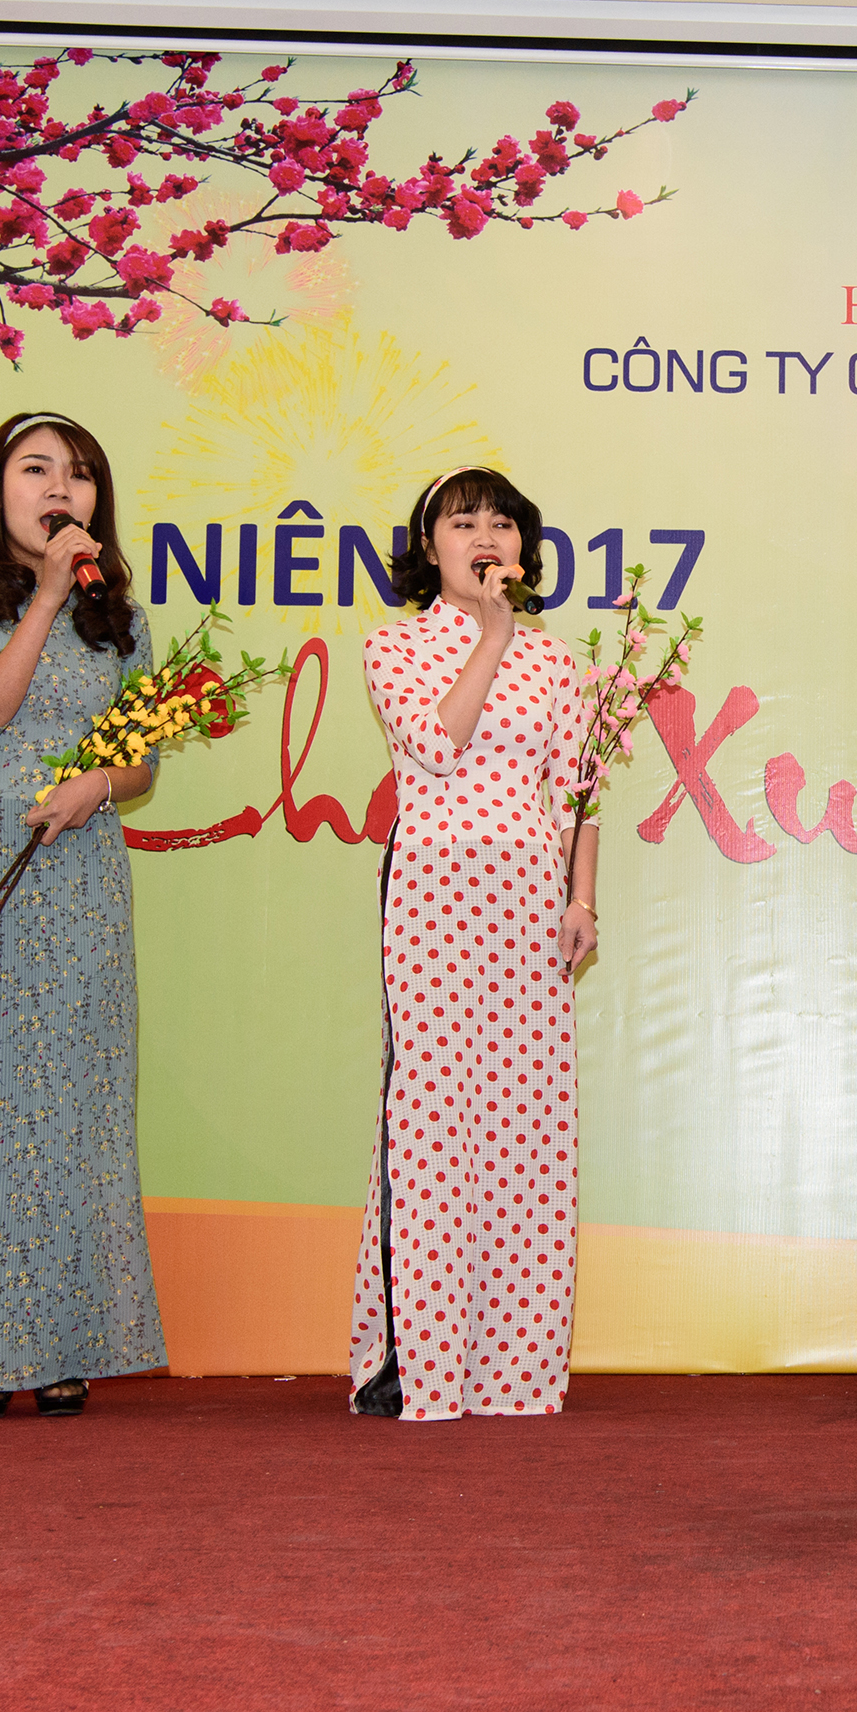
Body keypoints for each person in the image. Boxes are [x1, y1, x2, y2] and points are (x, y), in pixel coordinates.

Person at [0, 413, 166, 1418]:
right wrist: (46, 596)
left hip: (82, 874)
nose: (62, 488)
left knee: (73, 1109)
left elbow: (142, 761)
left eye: (80, 474)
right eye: (38, 469)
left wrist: (99, 783)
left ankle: (62, 1342)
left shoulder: (122, 615)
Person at [350, 468, 599, 1421]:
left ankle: (513, 1370)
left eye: (503, 523)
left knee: (526, 1125)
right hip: (433, 895)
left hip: (528, 900)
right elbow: (435, 746)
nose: (486, 537)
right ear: (432, 547)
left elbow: (578, 795)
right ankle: (418, 1362)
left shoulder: (559, 662)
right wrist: (491, 637)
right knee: (433, 1123)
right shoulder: (394, 645)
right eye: (464, 524)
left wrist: (580, 898)